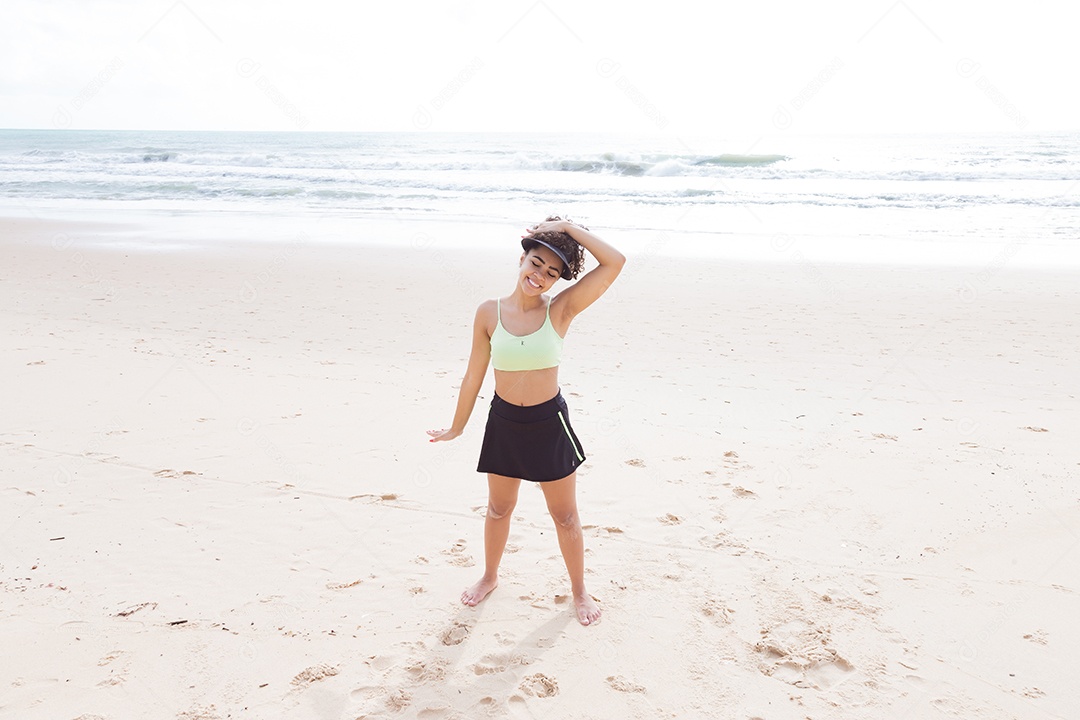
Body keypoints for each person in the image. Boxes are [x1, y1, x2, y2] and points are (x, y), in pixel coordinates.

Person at [427, 216, 625, 626]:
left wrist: (567, 227)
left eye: (552, 273)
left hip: (548, 423)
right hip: (503, 423)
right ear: (522, 259)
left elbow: (615, 262)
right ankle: (489, 576)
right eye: (536, 263)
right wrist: (458, 426)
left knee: (566, 516)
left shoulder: (561, 309)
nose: (541, 276)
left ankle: (579, 591)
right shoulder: (488, 312)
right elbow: (473, 375)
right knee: (499, 509)